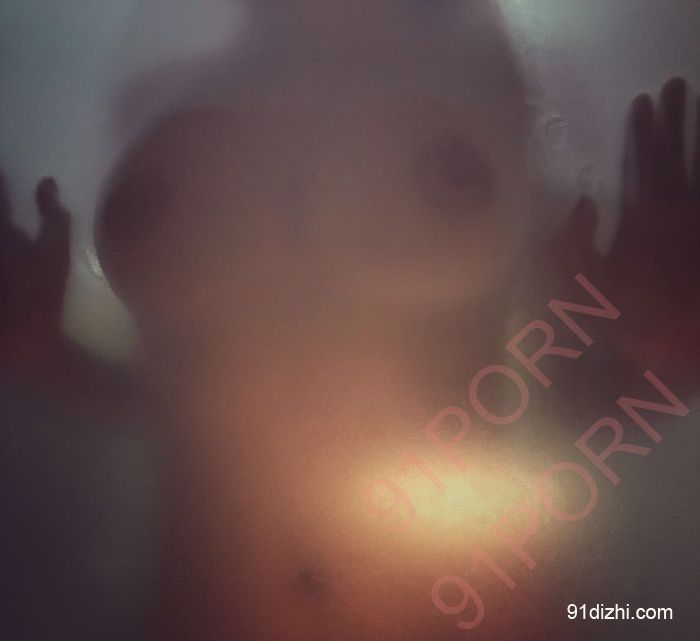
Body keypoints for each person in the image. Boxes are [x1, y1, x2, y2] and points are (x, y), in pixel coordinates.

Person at [1, 1, 698, 639]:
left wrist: (666, 359)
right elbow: (185, 407)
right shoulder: (152, 85)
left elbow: (548, 416)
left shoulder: (501, 71)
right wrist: (46, 358)